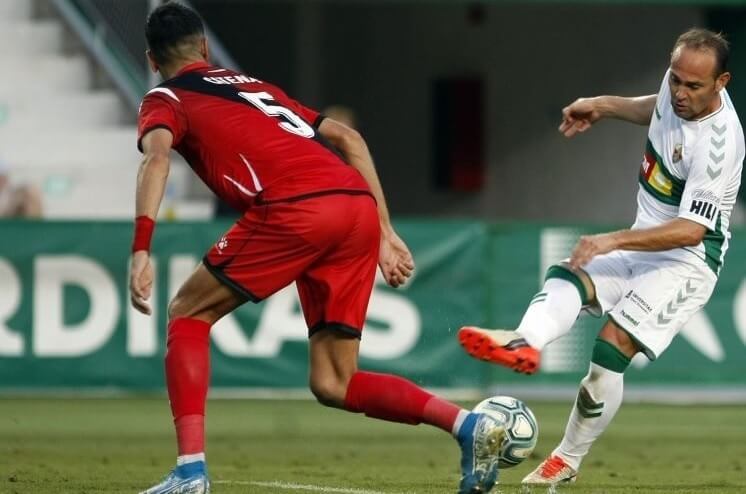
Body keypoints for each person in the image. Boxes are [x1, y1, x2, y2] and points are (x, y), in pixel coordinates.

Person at [130, 4, 504, 494]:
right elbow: (347, 137)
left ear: (152, 61)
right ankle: (468, 427)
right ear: (203, 48)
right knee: (334, 382)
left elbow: (156, 160)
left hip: (295, 208)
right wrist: (385, 232)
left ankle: (190, 472)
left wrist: (141, 248)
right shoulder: (253, 87)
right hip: (354, 208)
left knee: (187, 312)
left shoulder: (164, 97)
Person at [458, 28, 743, 485]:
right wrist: (603, 105)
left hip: (686, 261)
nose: (680, 93)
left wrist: (612, 240)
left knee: (611, 346)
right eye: (675, 79)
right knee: (571, 274)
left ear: (722, 82)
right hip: (644, 237)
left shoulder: (720, 144)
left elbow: (692, 229)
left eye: (693, 86)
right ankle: (523, 340)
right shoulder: (677, 94)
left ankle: (566, 459)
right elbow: (657, 107)